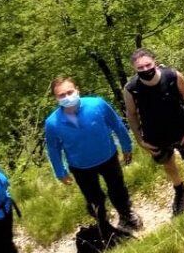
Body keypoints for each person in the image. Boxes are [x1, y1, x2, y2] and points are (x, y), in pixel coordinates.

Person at [123, 48, 184, 217]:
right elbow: (131, 115)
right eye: (140, 68)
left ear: (154, 62)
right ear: (134, 69)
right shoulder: (131, 89)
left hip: (183, 132)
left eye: (147, 65)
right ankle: (179, 189)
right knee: (168, 165)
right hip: (155, 137)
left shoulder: (172, 76)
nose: (145, 70)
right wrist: (140, 140)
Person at [44, 78, 140, 230]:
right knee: (94, 198)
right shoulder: (52, 123)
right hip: (80, 166)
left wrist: (126, 145)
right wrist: (60, 171)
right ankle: (104, 225)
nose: (67, 97)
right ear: (56, 99)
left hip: (108, 156)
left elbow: (116, 124)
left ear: (77, 90)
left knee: (117, 188)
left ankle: (126, 214)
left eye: (70, 92)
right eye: (62, 95)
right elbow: (53, 148)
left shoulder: (97, 104)